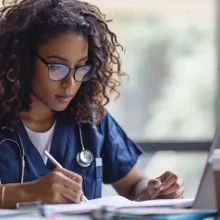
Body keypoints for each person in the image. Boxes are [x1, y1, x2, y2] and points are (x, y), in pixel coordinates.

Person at [0, 0, 184, 209]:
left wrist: (154, 191)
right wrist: (27, 193)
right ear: (22, 59)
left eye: (80, 68)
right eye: (57, 67)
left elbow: (134, 186)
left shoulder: (91, 120)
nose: (70, 83)